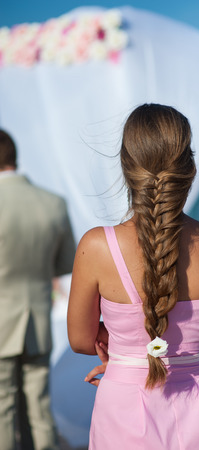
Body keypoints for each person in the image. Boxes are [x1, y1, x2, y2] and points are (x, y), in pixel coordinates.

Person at [67, 104, 199, 449]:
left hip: (125, 402)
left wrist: (129, 357)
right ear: (189, 168)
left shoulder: (98, 245)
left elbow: (81, 340)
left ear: (126, 168)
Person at [0, 129, 76, 450]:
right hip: (38, 317)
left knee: (2, 407)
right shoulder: (54, 203)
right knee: (39, 404)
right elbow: (65, 264)